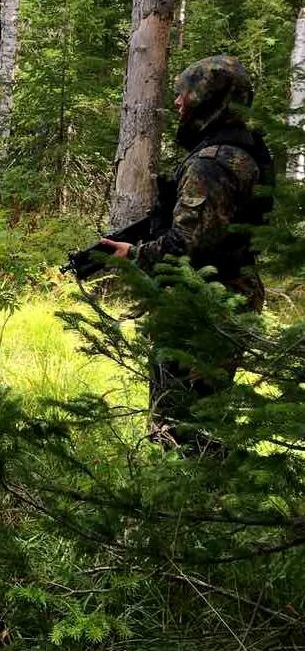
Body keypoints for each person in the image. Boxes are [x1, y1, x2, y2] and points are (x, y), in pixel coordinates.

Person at [100, 55, 272, 447]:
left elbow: (187, 245)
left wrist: (133, 255)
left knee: (182, 429)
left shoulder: (213, 163)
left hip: (204, 302)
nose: (177, 102)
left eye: (185, 94)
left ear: (208, 98)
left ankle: (188, 504)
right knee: (199, 422)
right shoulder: (240, 150)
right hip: (223, 295)